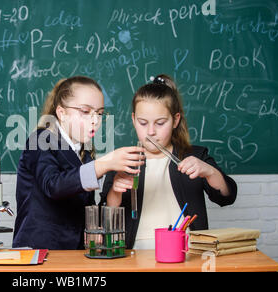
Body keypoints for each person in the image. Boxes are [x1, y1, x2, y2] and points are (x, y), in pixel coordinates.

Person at [101, 74, 237, 250]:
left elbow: (227, 197)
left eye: (160, 123)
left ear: (176, 120)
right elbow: (105, 217)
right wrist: (115, 191)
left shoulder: (194, 155)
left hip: (187, 255)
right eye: (143, 123)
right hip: (133, 256)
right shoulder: (122, 160)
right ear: (133, 120)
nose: (151, 132)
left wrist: (210, 172)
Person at [12, 76, 143, 250]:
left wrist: (114, 194)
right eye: (85, 111)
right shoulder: (41, 140)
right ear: (62, 113)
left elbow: (83, 210)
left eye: (100, 113)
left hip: (74, 254)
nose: (95, 121)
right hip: (39, 252)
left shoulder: (84, 151)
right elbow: (54, 185)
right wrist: (104, 164)